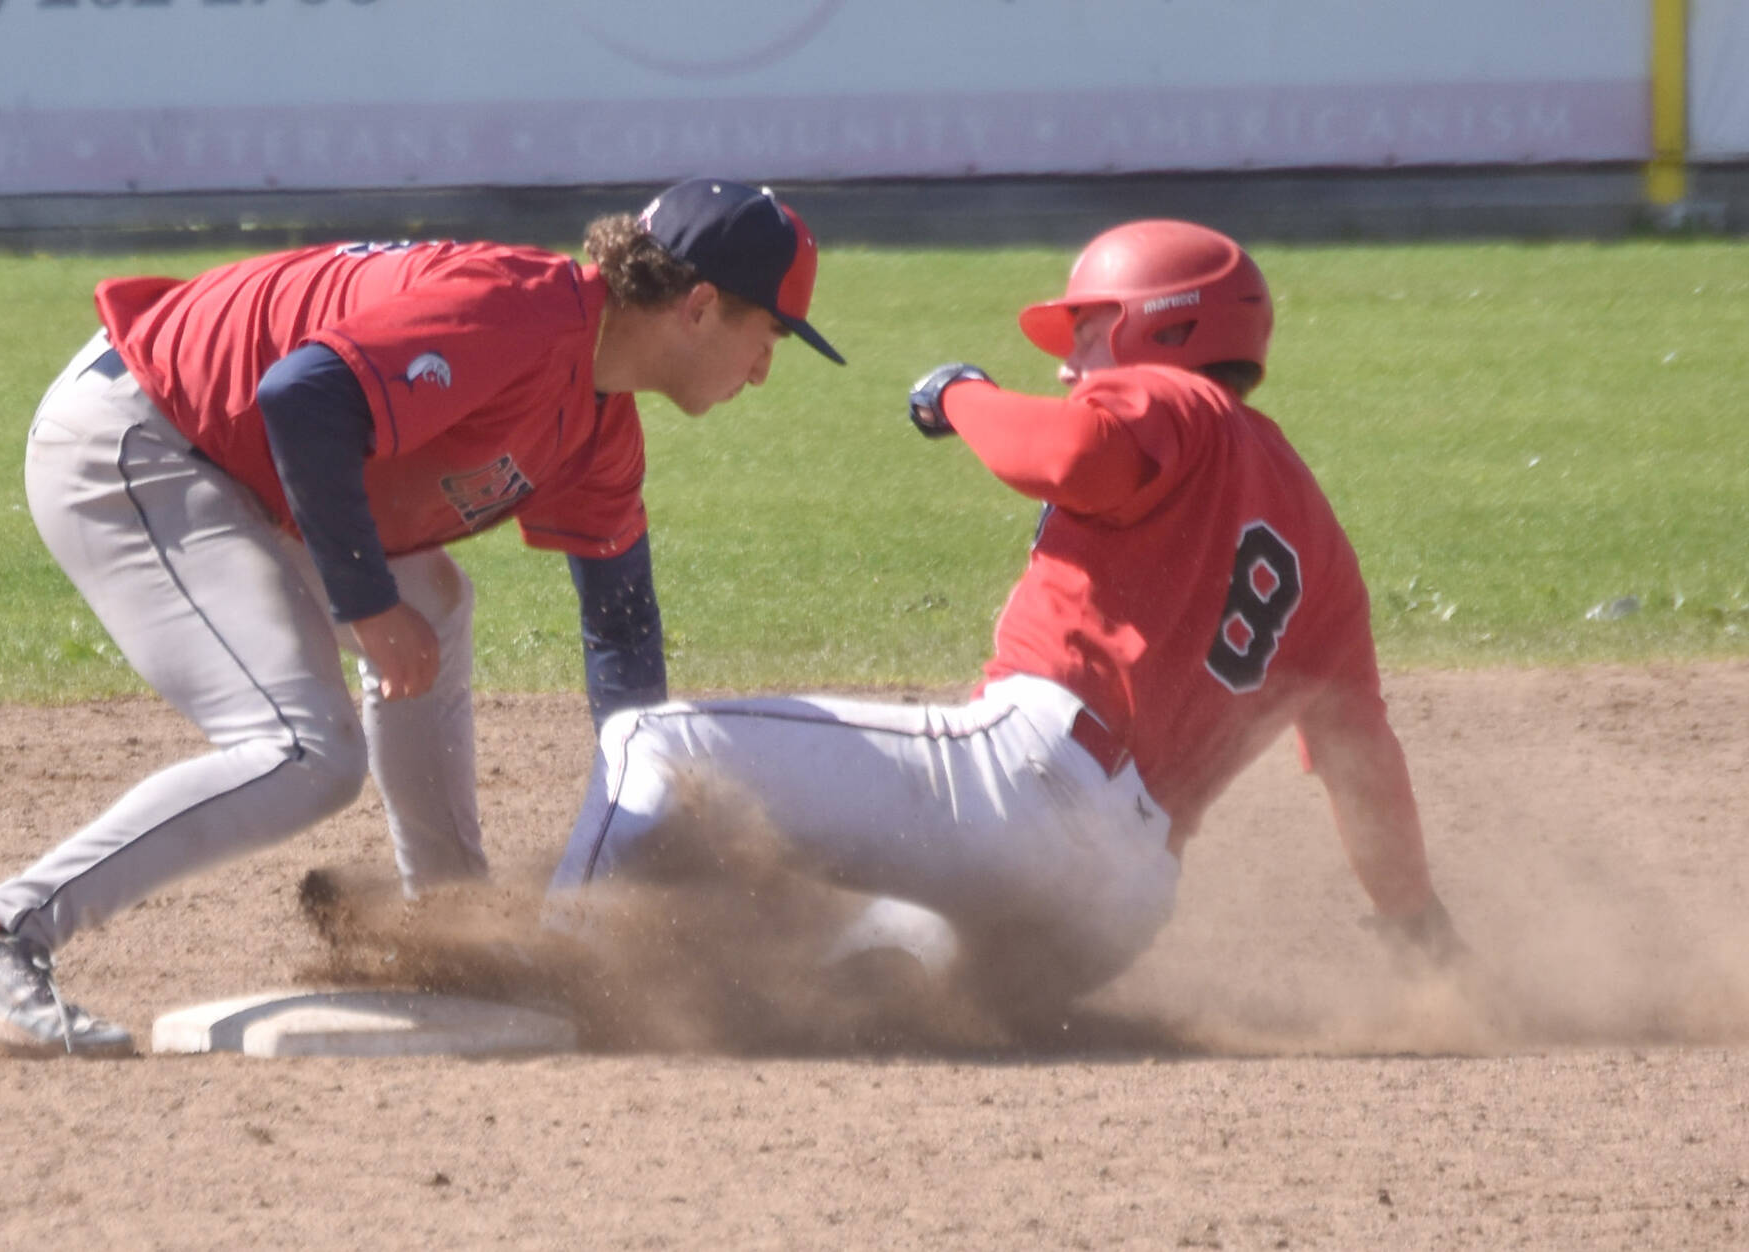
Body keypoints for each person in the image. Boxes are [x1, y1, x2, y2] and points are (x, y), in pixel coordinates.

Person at [0, 178, 845, 1057]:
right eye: (773, 334)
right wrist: (365, 604)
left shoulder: (599, 424)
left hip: (237, 465)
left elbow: (622, 637)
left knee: (437, 602)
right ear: (699, 305)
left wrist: (651, 818)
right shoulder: (519, 317)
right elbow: (301, 398)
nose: (764, 370)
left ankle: (452, 925)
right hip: (143, 440)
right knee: (306, 750)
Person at [547, 218, 1463, 1033]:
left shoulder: (1176, 402)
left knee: (650, 743)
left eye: (1091, 333)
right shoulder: (1321, 546)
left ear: (1167, 330)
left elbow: (1073, 453)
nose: (1069, 368)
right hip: (1119, 910)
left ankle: (548, 977)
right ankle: (878, 957)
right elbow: (1363, 769)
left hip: (1026, 787)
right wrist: (1422, 936)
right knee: (891, 936)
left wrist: (959, 396)